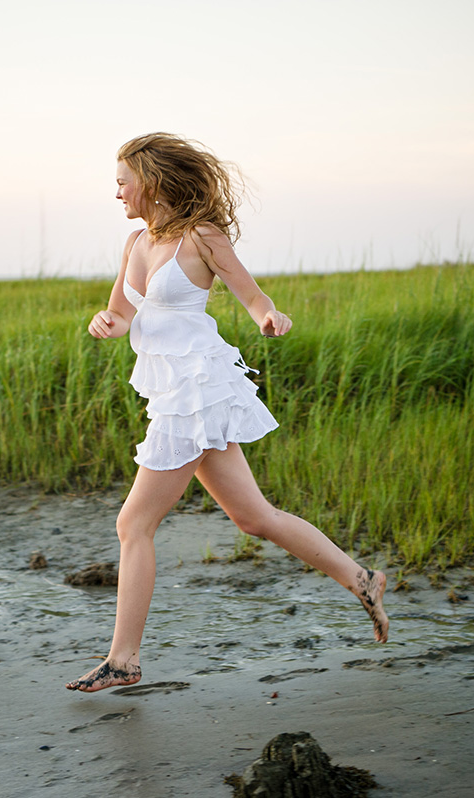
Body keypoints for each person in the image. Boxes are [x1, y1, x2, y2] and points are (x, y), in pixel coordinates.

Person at [65, 133, 388, 693]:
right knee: (253, 517)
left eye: (122, 182)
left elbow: (253, 296)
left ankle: (124, 658)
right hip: (175, 394)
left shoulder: (202, 237)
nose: (116, 192)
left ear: (153, 180)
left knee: (133, 523)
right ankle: (360, 577)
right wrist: (104, 322)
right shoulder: (135, 243)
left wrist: (269, 317)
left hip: (197, 392)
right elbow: (121, 315)